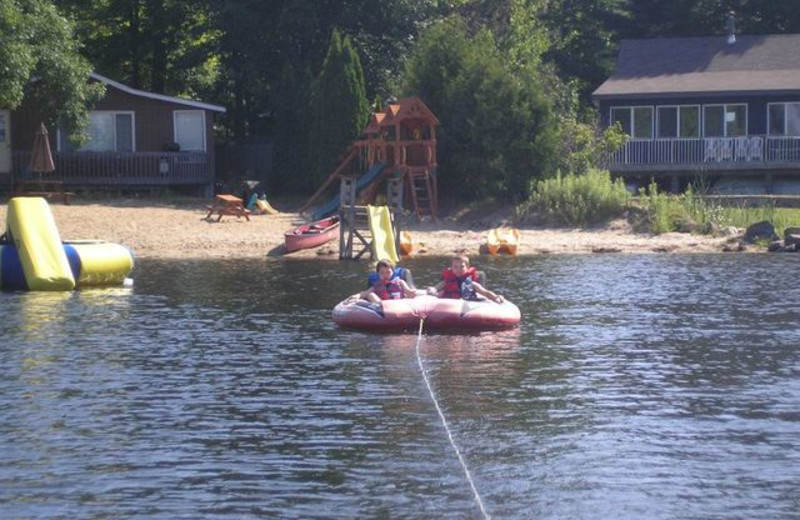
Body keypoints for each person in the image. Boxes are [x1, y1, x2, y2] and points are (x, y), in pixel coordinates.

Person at [427, 254, 504, 303]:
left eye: (462, 266)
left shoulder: (472, 284)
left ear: (467, 268)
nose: (458, 269)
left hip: (467, 304)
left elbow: (485, 292)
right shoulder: (447, 281)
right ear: (451, 268)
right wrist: (432, 290)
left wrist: (495, 297)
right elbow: (436, 288)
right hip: (448, 305)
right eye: (455, 267)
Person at [349, 260, 421, 303]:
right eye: (382, 273)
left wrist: (415, 293)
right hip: (383, 306)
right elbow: (365, 293)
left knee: (408, 296)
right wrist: (357, 296)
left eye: (388, 272)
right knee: (370, 295)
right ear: (378, 274)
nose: (385, 275)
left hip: (399, 304)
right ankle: (382, 308)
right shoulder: (376, 286)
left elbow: (409, 291)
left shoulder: (400, 282)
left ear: (393, 272)